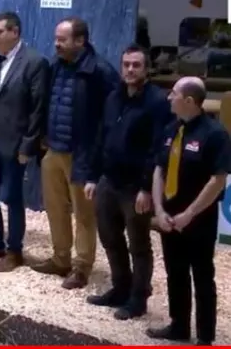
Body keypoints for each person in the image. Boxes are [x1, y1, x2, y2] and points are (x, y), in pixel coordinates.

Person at [84, 44, 172, 320]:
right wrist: (91, 176)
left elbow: (159, 149)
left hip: (136, 187)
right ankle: (120, 289)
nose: (130, 70)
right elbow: (100, 138)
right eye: (126, 65)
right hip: (108, 181)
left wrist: (147, 188)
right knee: (110, 238)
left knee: (139, 245)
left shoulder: (158, 102)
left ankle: (138, 298)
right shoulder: (113, 97)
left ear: (147, 69)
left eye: (136, 65)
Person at [31, 16, 119, 288]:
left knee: (83, 213)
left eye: (62, 39)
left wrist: (98, 155)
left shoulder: (101, 71)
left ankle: (82, 266)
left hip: (82, 154)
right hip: (53, 150)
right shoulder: (55, 66)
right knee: (55, 208)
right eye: (56, 38)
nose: (56, 43)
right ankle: (60, 259)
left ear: (80, 40)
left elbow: (111, 116)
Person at [146, 77, 231, 345]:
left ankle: (205, 336)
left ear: (189, 101)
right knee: (175, 273)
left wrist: (190, 213)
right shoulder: (172, 129)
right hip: (169, 217)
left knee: (203, 277)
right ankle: (178, 326)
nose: (169, 97)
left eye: (173, 93)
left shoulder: (215, 134)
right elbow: (159, 169)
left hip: (199, 220)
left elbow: (217, 180)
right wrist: (159, 209)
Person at [0, 11, 49, 272]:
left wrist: (28, 146)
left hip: (15, 142)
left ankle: (15, 251)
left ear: (15, 32)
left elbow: (38, 109)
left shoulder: (34, 62)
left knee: (12, 196)